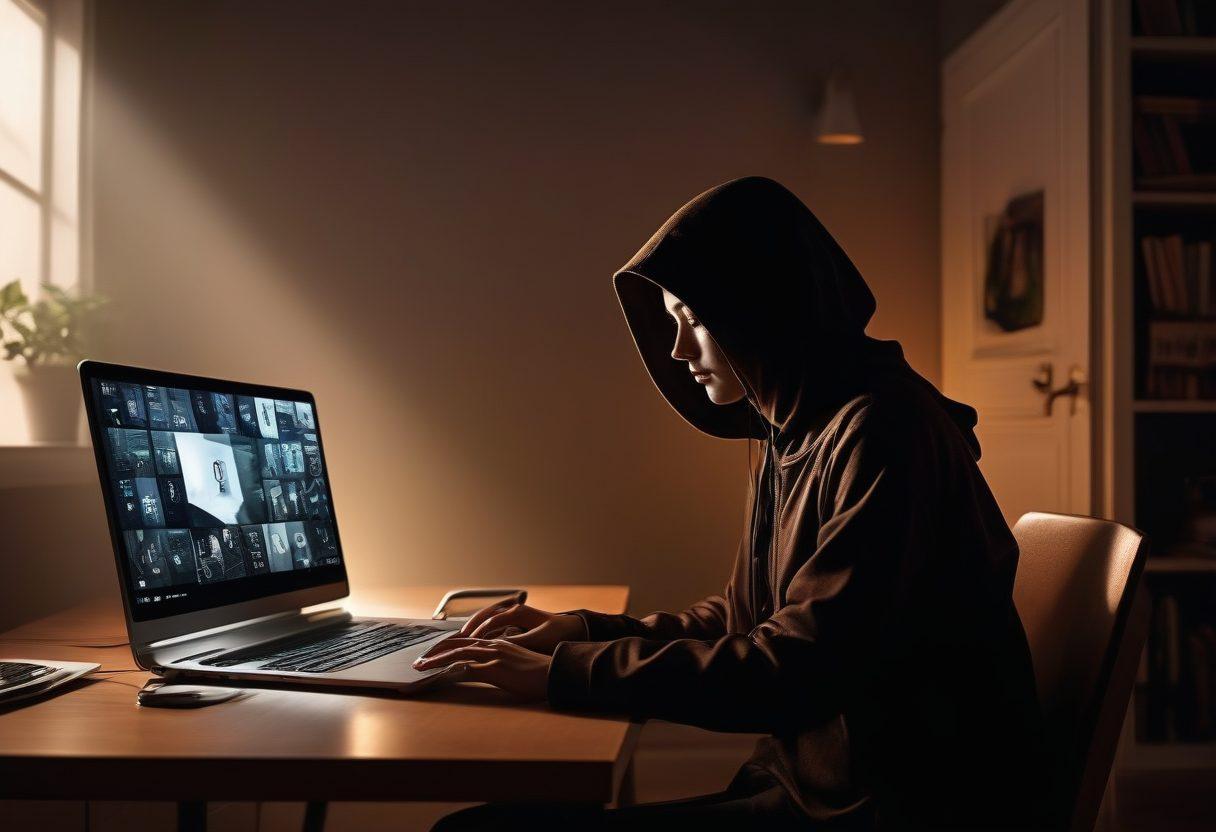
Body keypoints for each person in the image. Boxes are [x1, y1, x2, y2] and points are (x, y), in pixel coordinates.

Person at [418, 176, 1049, 830]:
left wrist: (567, 675)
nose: (679, 350)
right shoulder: (794, 426)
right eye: (672, 323)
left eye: (693, 320)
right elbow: (749, 620)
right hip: (816, 793)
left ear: (758, 304)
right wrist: (580, 632)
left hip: (885, 812)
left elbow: (797, 666)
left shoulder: (883, 433)